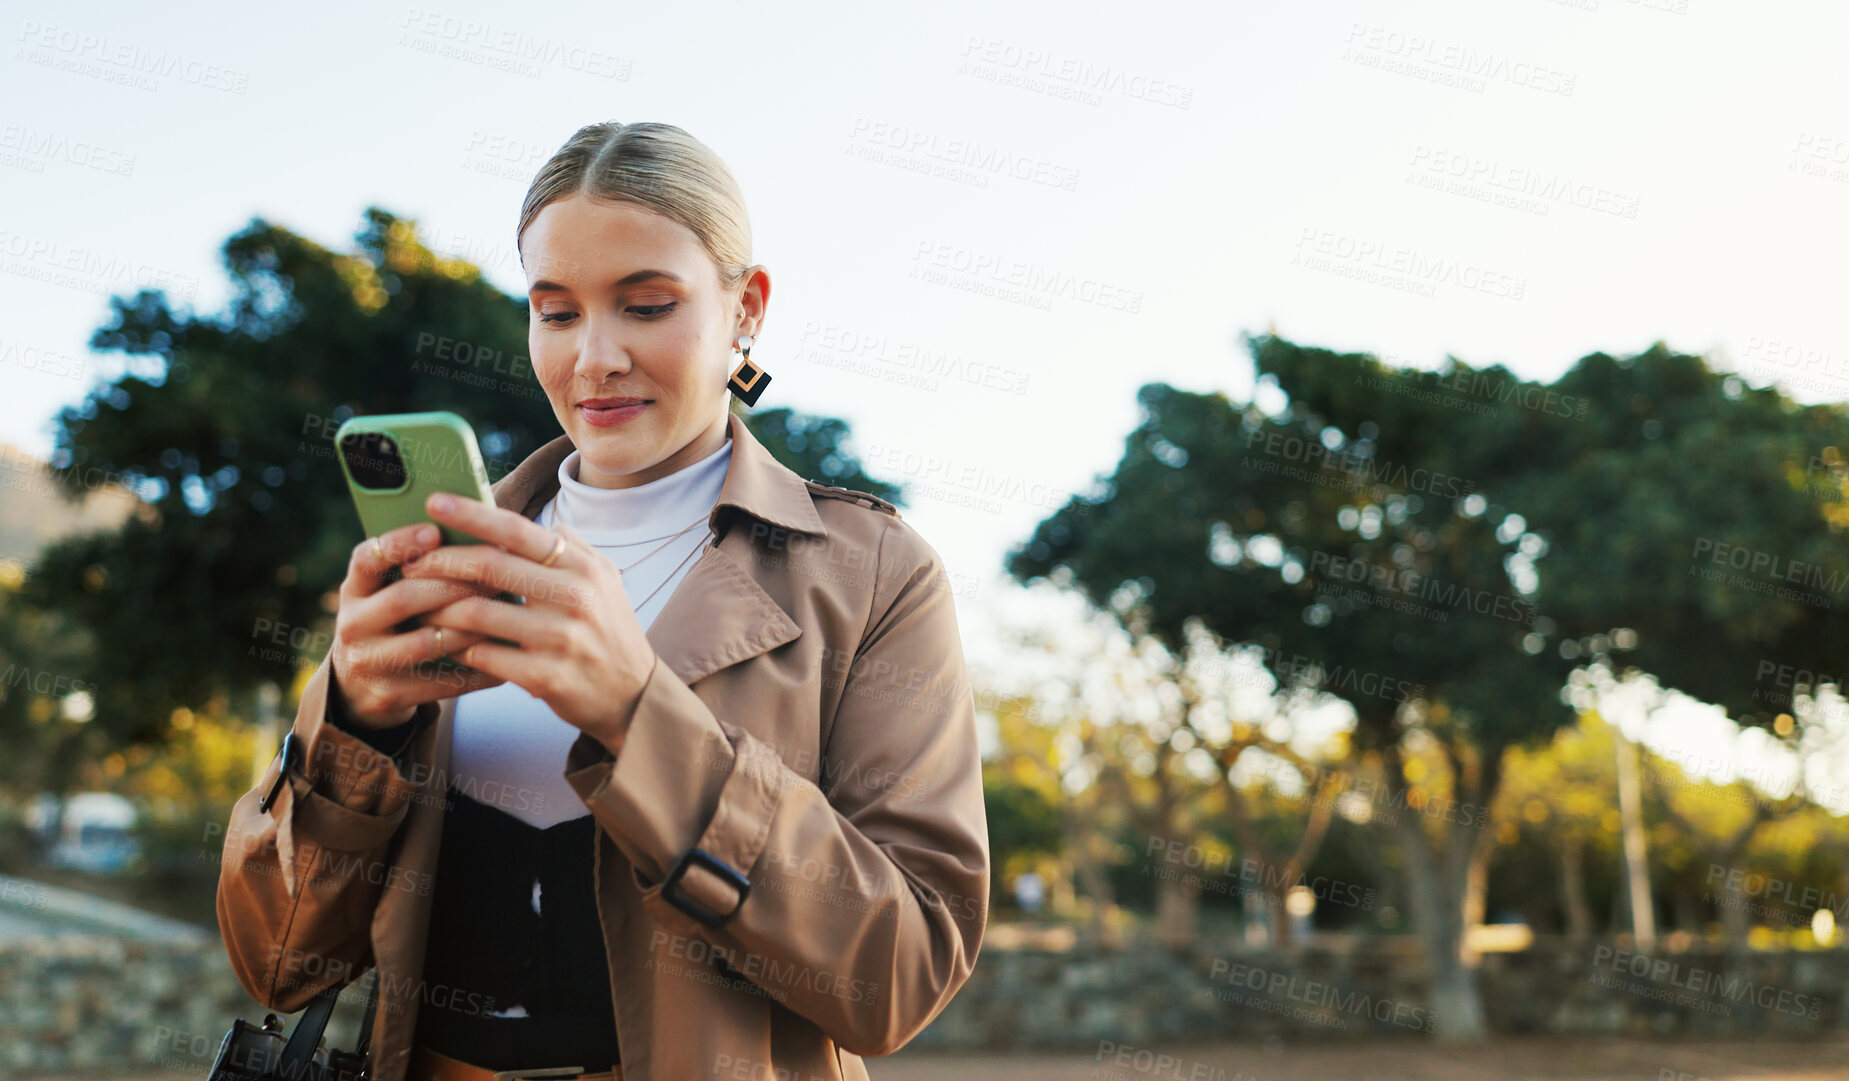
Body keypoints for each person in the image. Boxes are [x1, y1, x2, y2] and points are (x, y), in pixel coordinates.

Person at [215, 120, 990, 1081]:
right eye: (557, 311)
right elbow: (278, 960)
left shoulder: (872, 570)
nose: (595, 359)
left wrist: (637, 710)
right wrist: (358, 732)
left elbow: (903, 975)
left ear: (745, 306)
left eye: (648, 305)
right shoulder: (442, 555)